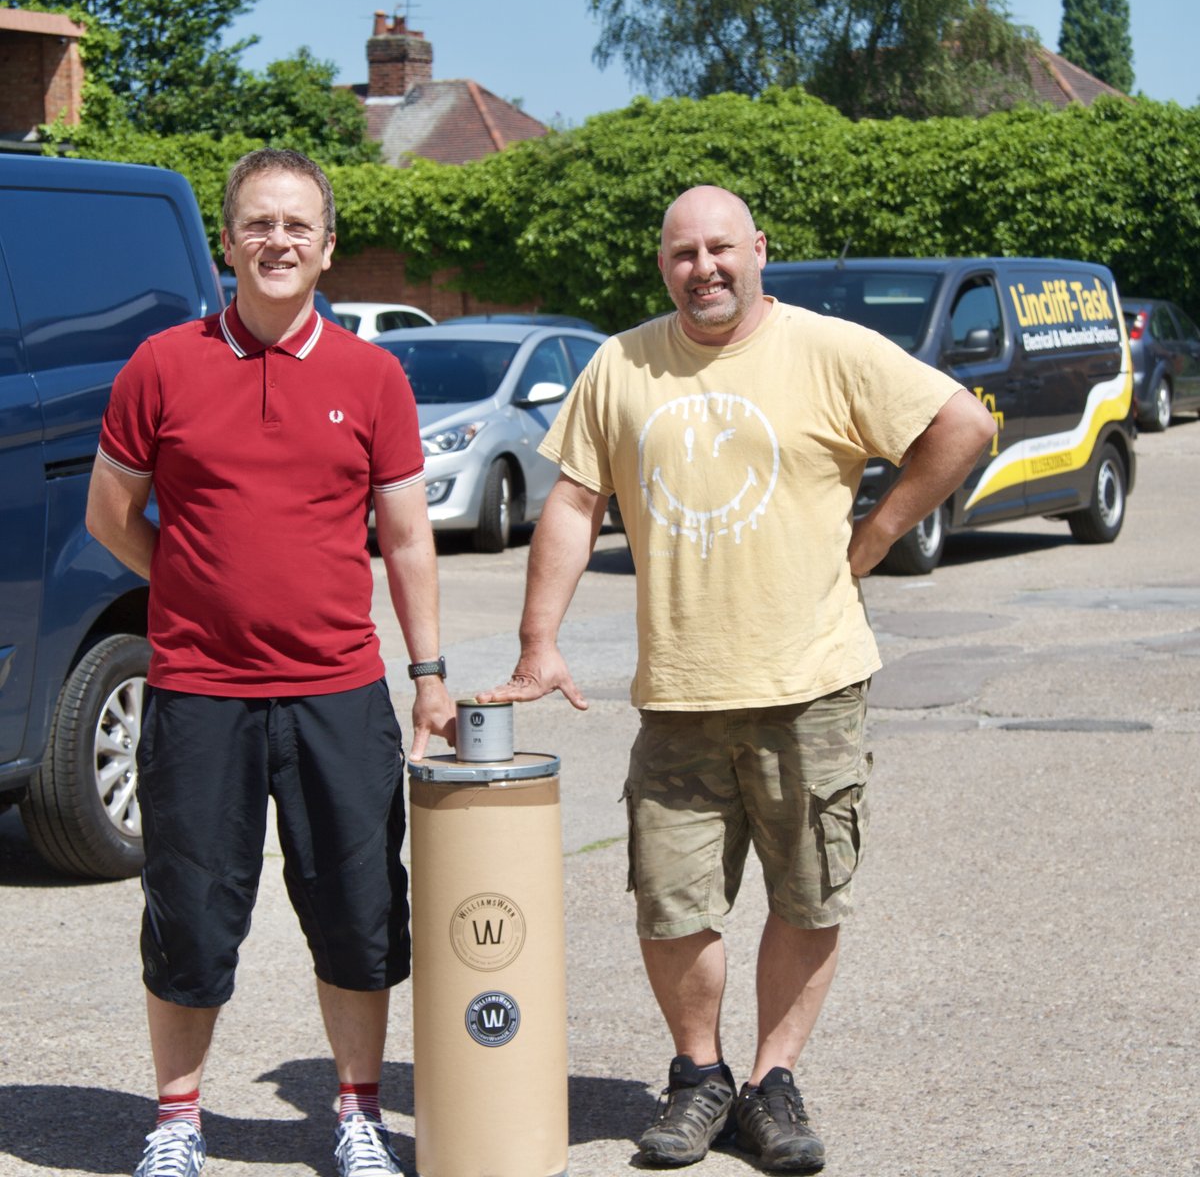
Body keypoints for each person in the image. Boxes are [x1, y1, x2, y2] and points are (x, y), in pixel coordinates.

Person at [478, 185, 996, 1172]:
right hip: (679, 694)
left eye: (721, 248)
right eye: (683, 253)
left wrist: (876, 534)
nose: (703, 268)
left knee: (808, 897)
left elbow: (961, 425)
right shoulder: (620, 364)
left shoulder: (828, 350)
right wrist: (538, 644)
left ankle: (772, 1081)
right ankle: (699, 1074)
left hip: (812, 684)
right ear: (662, 263)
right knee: (671, 905)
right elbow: (575, 504)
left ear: (759, 249)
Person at [86, 147, 456, 1177]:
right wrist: (188, 582)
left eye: (298, 227)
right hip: (199, 693)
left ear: (327, 248)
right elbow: (110, 512)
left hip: (339, 691)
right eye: (259, 224)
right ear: (229, 243)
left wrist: (429, 673)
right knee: (191, 916)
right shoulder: (162, 365)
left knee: (359, 912)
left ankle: (356, 1113)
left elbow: (409, 538)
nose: (278, 242)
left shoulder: (372, 376)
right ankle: (176, 1121)